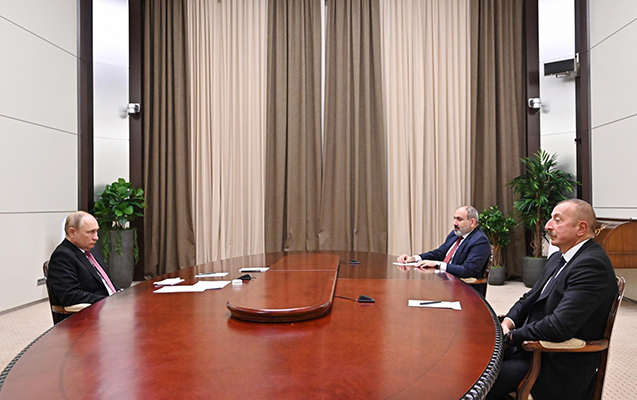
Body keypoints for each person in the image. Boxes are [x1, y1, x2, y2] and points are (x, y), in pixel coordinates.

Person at [486, 199, 617, 400]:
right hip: (532, 350)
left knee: (480, 381)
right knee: (474, 360)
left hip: (555, 364)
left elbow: (559, 326)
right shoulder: (558, 257)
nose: (547, 226)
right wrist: (508, 323)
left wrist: (511, 337)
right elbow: (530, 298)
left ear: (581, 228)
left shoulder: (591, 265)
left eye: (557, 220)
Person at [396, 205, 491, 279]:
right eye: (454, 218)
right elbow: (438, 253)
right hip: (445, 279)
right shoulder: (455, 234)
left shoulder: (480, 241)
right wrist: (414, 258)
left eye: (459, 219)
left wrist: (437, 264)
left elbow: (467, 270)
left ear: (472, 222)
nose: (454, 223)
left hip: (464, 287)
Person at [47, 211, 119, 308]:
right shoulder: (62, 256)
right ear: (72, 232)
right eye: (90, 232)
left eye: (96, 231)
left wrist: (120, 294)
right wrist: (109, 300)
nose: (96, 237)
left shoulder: (91, 250)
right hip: (93, 311)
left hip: (111, 303)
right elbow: (71, 296)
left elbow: (106, 281)